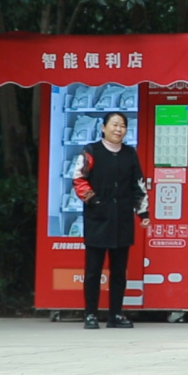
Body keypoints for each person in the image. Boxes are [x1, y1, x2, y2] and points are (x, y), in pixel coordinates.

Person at [72, 112, 149, 330]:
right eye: (114, 125)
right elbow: (78, 178)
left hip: (122, 218)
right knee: (93, 270)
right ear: (103, 127)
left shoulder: (129, 153)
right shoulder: (91, 151)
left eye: (122, 126)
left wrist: (143, 213)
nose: (118, 129)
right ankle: (90, 315)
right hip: (98, 217)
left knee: (119, 270)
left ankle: (116, 314)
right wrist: (93, 201)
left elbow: (139, 185)